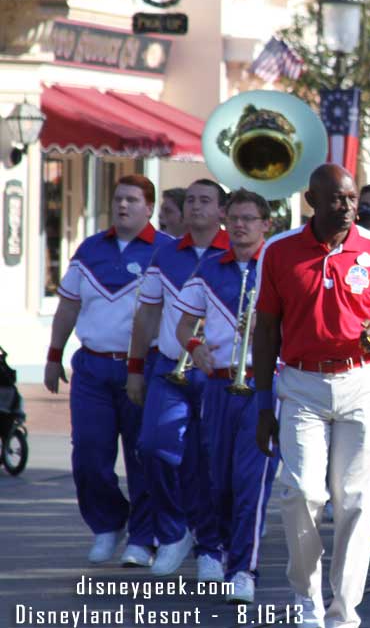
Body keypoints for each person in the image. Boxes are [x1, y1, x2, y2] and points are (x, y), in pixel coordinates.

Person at [253, 164, 370, 628]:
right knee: (301, 493)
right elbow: (265, 331)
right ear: (312, 200)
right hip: (301, 384)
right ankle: (307, 599)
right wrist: (264, 405)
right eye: (337, 198)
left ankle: (344, 612)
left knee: (357, 500)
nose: (347, 207)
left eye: (352, 198)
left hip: (362, 382)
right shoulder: (279, 252)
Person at [44, 175, 174, 565]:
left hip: (145, 368)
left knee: (143, 456)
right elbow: (67, 306)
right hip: (92, 368)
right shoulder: (89, 249)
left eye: (133, 200)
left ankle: (143, 537)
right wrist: (53, 355)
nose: (123, 205)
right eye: (118, 198)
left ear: (149, 207)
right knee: (88, 454)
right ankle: (107, 523)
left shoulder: (167, 251)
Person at [172, 188, 278, 603]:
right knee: (220, 480)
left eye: (248, 219)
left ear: (266, 224)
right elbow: (184, 326)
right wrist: (195, 348)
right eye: (232, 218)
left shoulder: (279, 267)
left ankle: (244, 568)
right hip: (218, 384)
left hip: (263, 385)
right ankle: (217, 547)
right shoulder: (209, 269)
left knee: (250, 480)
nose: (238, 226)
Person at [127, 179, 229, 579]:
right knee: (153, 448)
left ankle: (211, 545)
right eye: (191, 201)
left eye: (206, 201)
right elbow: (147, 315)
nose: (196, 207)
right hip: (169, 369)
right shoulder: (165, 255)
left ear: (222, 210)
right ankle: (172, 532)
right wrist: (135, 369)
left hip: (218, 375)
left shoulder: (236, 253)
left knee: (210, 463)